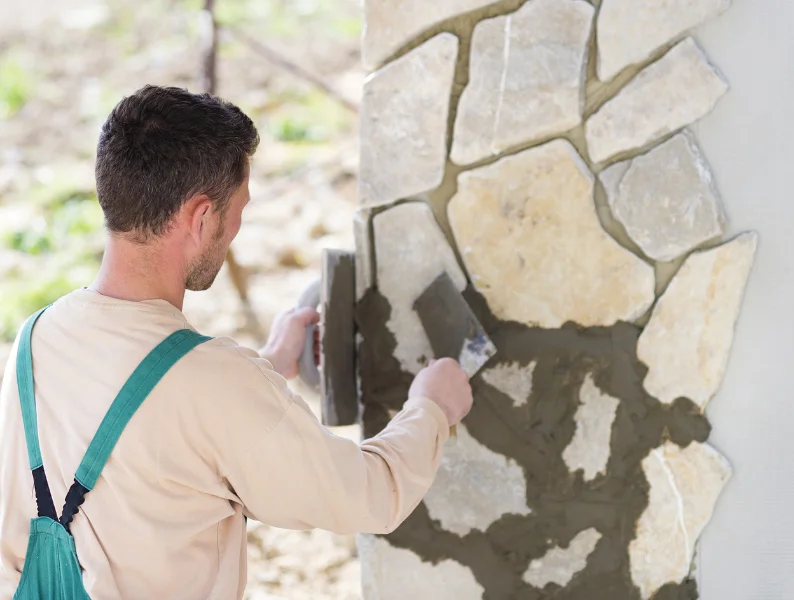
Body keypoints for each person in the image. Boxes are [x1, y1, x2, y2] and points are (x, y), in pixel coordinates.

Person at [0, 85, 473, 599]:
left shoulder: (35, 337)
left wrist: (267, 367)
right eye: (238, 208)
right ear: (201, 218)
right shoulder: (213, 384)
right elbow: (372, 494)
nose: (238, 228)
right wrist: (432, 406)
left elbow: (154, 429)